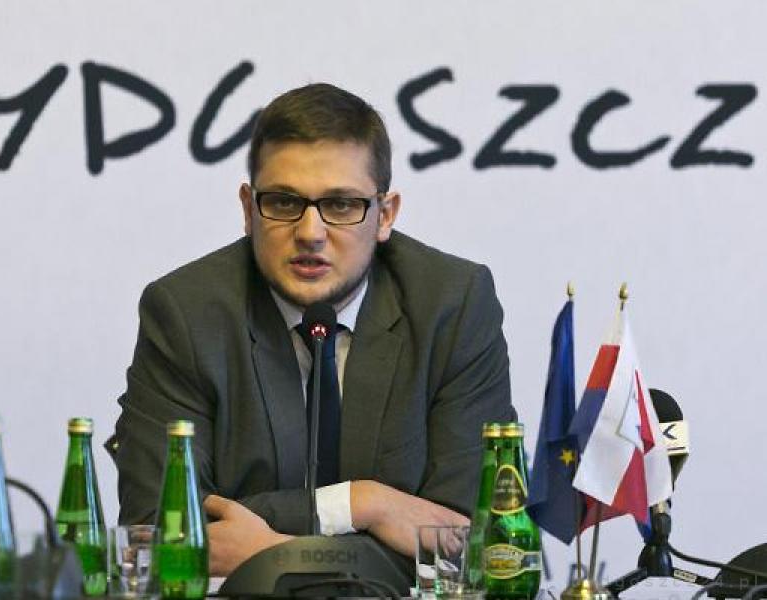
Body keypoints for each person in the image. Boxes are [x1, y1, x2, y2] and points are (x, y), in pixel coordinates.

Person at [106, 82, 516, 576]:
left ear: (384, 216)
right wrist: (365, 503)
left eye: (341, 205)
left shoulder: (452, 306)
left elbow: (469, 542)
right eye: (283, 202)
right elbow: (158, 533)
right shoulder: (185, 313)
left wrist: (270, 551)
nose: (309, 233)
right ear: (248, 209)